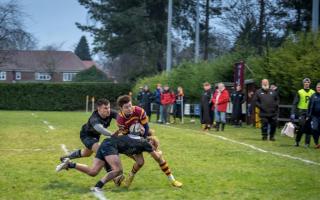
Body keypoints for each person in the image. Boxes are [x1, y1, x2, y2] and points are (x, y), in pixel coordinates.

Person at [56, 126, 182, 191]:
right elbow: (157, 157)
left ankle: (70, 164)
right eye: (154, 146)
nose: (152, 149)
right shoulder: (146, 143)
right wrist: (158, 152)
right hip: (109, 146)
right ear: (151, 143)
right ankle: (97, 187)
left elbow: (138, 160)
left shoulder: (139, 146)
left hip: (107, 144)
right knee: (118, 170)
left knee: (93, 171)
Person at [116, 95, 182, 188]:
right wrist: (139, 143)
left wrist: (145, 139)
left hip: (144, 135)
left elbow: (146, 127)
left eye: (130, 105)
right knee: (140, 162)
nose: (129, 108)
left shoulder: (139, 111)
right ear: (121, 108)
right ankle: (130, 177)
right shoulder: (120, 119)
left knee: (158, 158)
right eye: (126, 107)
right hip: (131, 140)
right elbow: (126, 136)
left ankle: (173, 180)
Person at [59, 98, 117, 163]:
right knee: (102, 151)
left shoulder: (111, 112)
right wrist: (111, 134)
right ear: (99, 108)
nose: (108, 110)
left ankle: (65, 157)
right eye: (105, 108)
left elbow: (121, 118)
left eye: (109, 107)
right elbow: (99, 128)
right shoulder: (94, 118)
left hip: (96, 136)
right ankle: (112, 171)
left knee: (86, 153)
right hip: (86, 136)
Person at [290, 78, 315, 147]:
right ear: (303, 83)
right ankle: (297, 141)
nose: (306, 84)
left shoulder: (313, 92)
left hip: (310, 111)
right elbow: (295, 103)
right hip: (302, 111)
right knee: (301, 126)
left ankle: (307, 143)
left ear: (310, 83)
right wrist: (293, 113)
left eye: (308, 82)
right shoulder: (300, 92)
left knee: (309, 127)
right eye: (305, 82)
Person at [307, 80, 320, 149]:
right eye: (318, 87)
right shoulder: (313, 96)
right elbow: (309, 106)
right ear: (316, 88)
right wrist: (308, 115)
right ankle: (316, 143)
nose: (319, 88)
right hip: (314, 116)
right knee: (314, 129)